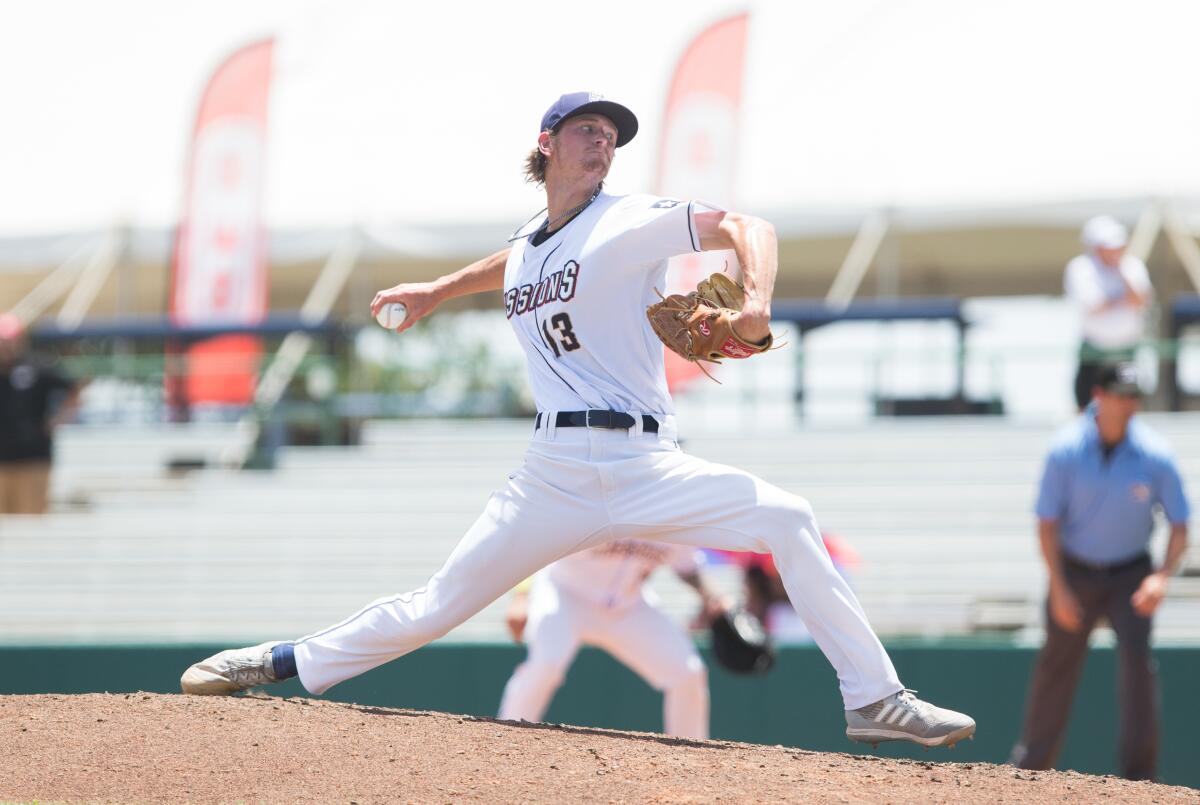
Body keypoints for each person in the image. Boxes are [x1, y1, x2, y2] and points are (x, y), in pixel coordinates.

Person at [180, 91, 975, 748]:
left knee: (789, 517)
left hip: (647, 464)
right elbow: (512, 260)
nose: (603, 144)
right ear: (547, 144)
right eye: (587, 131)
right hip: (553, 472)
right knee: (435, 604)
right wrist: (433, 292)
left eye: (611, 136)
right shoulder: (532, 242)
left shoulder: (629, 220)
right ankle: (277, 660)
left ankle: (874, 697)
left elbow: (747, 227)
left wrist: (755, 293)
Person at [1011, 362, 1190, 780]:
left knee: (1138, 671)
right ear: (1098, 396)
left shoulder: (1156, 454)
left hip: (1131, 573)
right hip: (1074, 571)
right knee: (1056, 669)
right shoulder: (1065, 449)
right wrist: (1057, 586)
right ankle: (1029, 773)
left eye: (1134, 396)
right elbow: (1046, 523)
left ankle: (1139, 780)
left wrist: (1160, 576)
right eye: (1120, 395)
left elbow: (1180, 525)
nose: (1128, 404)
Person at [498, 540, 722, 739]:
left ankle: (691, 757)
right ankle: (506, 741)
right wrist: (522, 595)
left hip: (628, 606)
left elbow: (687, 567)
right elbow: (537, 540)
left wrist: (712, 598)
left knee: (688, 673)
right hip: (566, 595)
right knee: (546, 664)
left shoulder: (674, 513)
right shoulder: (600, 495)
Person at [1064, 215, 1153, 411]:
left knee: (1128, 403)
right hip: (1093, 351)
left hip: (1125, 350)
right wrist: (1122, 300)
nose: (1114, 251)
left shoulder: (1132, 266)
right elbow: (1094, 306)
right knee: (1085, 405)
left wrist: (1121, 273)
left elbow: (1140, 300)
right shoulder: (1081, 268)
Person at [0, 314, 82, 515]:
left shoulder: (38, 366)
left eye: (8, 342)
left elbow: (74, 388)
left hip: (33, 456)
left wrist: (57, 420)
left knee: (31, 516)